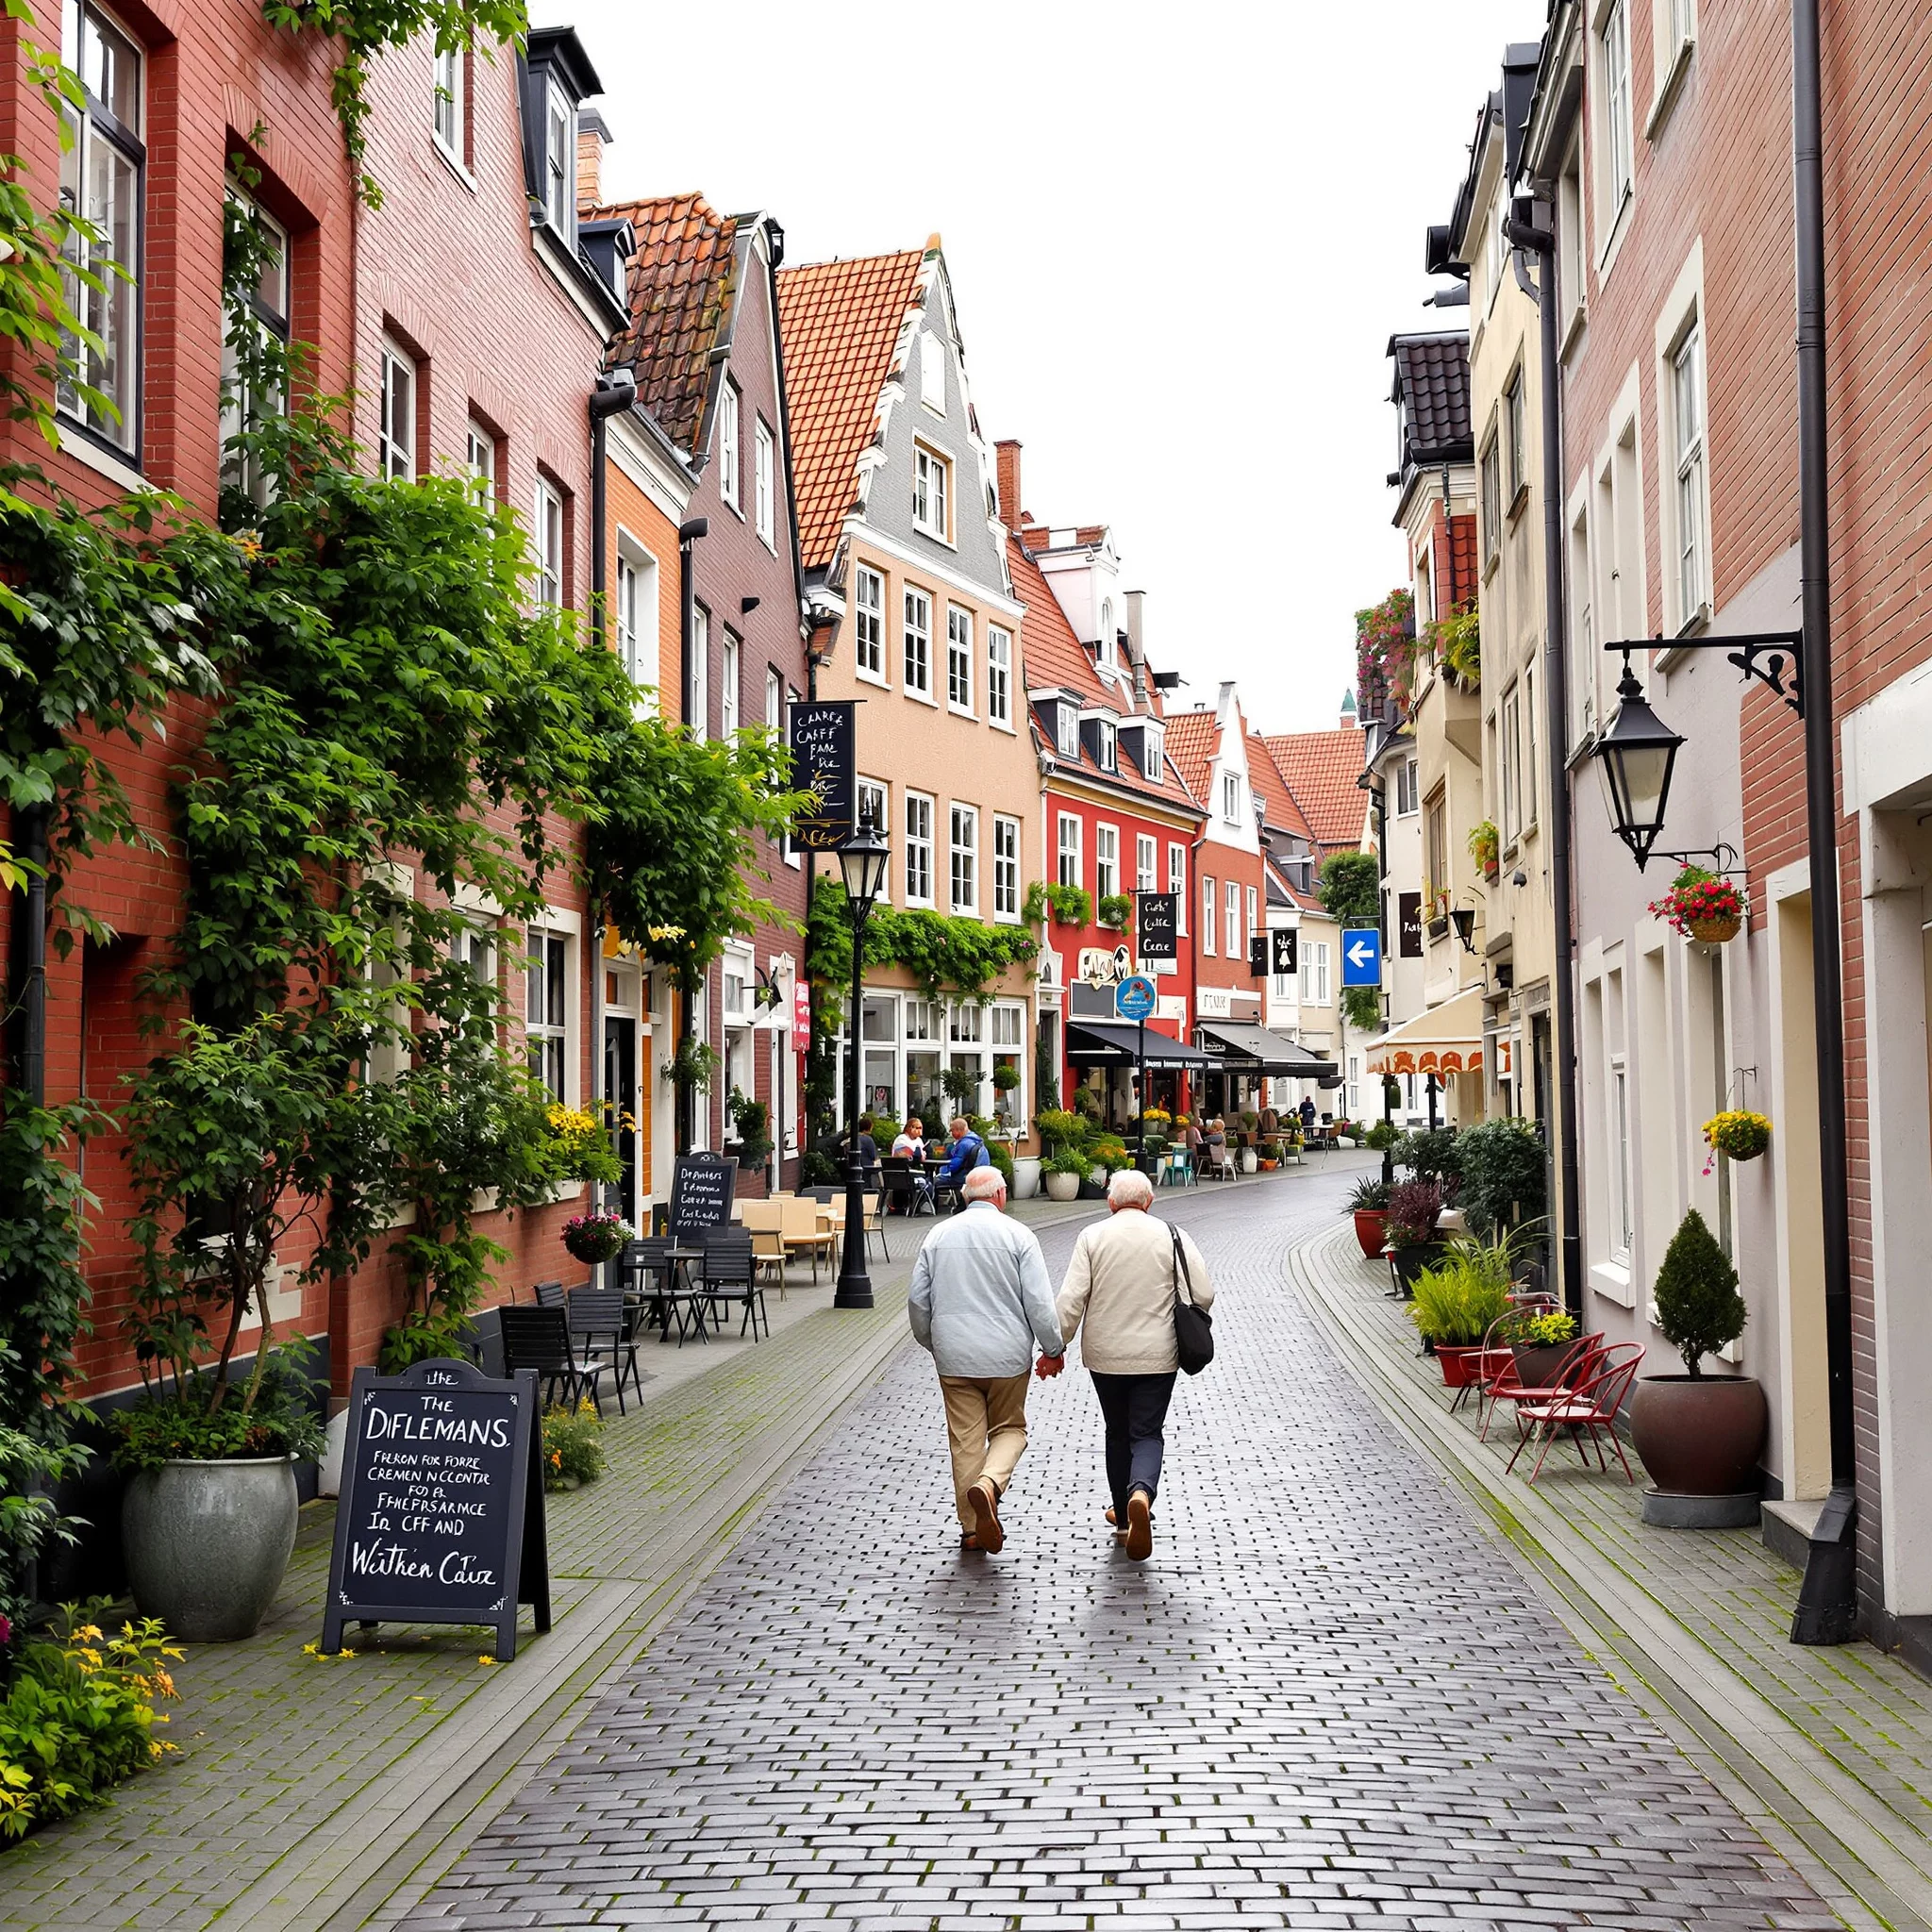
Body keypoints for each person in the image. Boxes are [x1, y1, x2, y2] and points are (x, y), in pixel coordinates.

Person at [1052, 1170, 1214, 1561]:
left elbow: (1072, 1299)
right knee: (1147, 1432)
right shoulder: (1172, 1235)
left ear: (1110, 1202)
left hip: (1105, 1356)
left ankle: (1124, 1520)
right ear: (1149, 1200)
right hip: (1158, 1355)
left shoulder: (1092, 1237)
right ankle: (1141, 1492)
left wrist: (1055, 1345)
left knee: (1116, 1432)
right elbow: (1203, 1293)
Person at [907, 1166, 1064, 1551]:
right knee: (1010, 1429)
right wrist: (1053, 1348)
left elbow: (917, 1301)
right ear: (999, 1195)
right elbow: (1040, 1303)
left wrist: (934, 1342)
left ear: (966, 1197)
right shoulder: (1019, 1236)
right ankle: (990, 1483)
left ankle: (973, 1529)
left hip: (955, 1357)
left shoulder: (938, 1235)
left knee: (964, 1442)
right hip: (1008, 1357)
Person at [935, 1115, 989, 1209]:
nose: (951, 1133)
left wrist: (940, 1170)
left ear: (959, 1130)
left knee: (933, 1181)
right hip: (974, 1175)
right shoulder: (977, 1140)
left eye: (952, 1130)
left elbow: (953, 1166)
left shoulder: (964, 1145)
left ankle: (931, 1208)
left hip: (962, 1177)